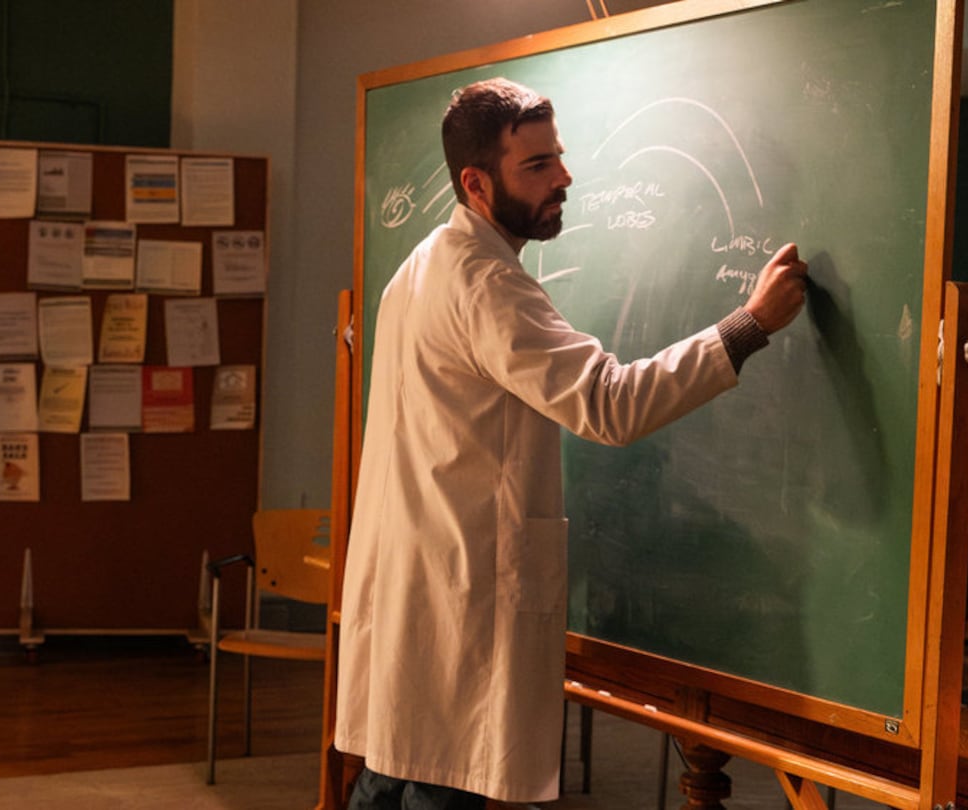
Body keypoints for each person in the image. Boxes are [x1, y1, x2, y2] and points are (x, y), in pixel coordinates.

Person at [334, 78, 809, 808]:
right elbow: (608, 405)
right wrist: (749, 326)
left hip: (418, 594)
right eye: (536, 166)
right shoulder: (485, 283)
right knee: (433, 782)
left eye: (558, 156)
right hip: (458, 596)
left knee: (393, 775)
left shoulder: (422, 265)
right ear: (476, 182)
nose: (564, 178)